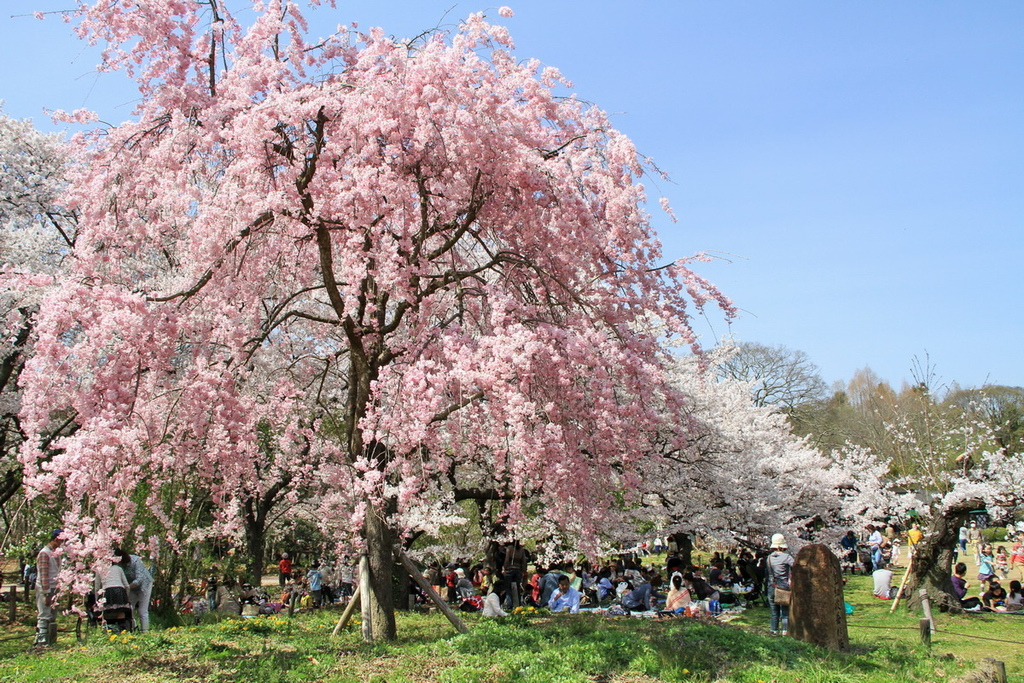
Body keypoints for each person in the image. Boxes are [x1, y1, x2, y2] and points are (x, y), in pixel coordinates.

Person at [34, 530, 64, 645]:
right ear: (56, 539)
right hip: (45, 588)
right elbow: (43, 575)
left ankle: (51, 639)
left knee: (52, 614)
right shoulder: (44, 553)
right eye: (61, 540)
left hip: (55, 587)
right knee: (44, 613)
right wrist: (46, 593)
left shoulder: (56, 553)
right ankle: (41, 639)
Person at [766, 533, 794, 636]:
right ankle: (785, 631)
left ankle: (774, 630)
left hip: (771, 587)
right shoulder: (786, 557)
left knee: (774, 612)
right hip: (783, 587)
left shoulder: (768, 558)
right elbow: (795, 566)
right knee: (785, 612)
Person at [120, 550, 154, 632]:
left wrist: (127, 587)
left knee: (142, 611)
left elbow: (140, 579)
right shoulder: (119, 566)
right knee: (129, 609)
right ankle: (132, 629)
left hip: (144, 585)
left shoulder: (135, 560)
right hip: (132, 588)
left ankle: (145, 632)